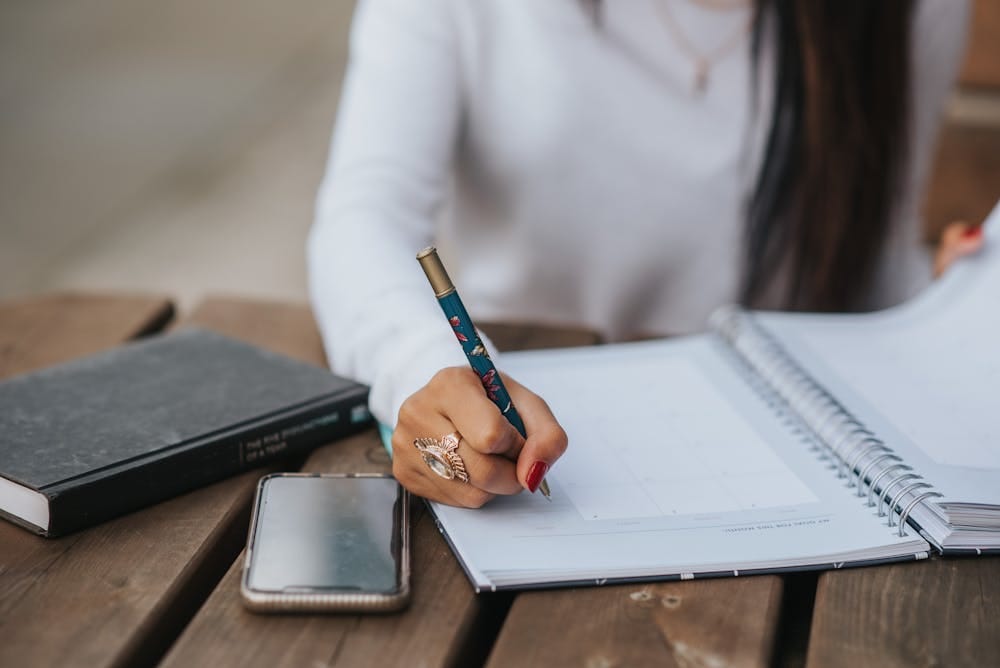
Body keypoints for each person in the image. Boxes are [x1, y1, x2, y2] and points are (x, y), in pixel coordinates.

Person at [308, 0, 982, 507]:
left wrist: (955, 305)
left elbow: (876, 255)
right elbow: (363, 217)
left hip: (805, 470)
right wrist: (423, 367)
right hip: (530, 433)